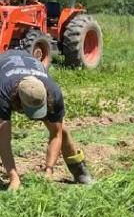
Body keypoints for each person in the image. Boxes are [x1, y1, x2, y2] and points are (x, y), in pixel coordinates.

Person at [0, 50, 92, 190]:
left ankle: (79, 170)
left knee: (62, 130)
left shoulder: (53, 92)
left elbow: (56, 134)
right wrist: (14, 177)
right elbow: (4, 140)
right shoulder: (3, 92)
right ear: (18, 101)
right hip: (5, 66)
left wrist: (49, 170)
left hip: (28, 67)